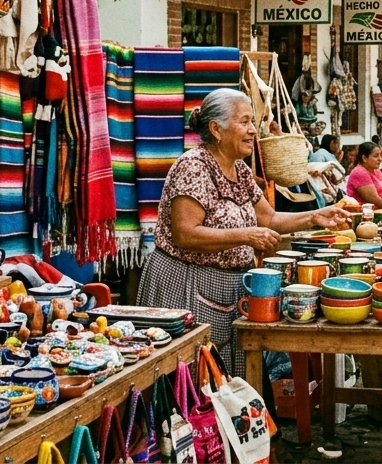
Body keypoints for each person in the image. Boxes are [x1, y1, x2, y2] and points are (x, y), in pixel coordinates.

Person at [136, 89, 351, 374]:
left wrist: (316, 215)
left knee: (225, 385)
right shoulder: (194, 167)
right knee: (192, 382)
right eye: (245, 122)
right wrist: (247, 235)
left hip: (226, 289)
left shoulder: (239, 169)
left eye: (252, 122)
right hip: (185, 285)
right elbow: (185, 234)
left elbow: (269, 218)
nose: (253, 131)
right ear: (216, 129)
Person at [347, 141, 382, 210]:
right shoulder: (360, 172)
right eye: (376, 156)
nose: (380, 159)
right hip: (369, 212)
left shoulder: (376, 170)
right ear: (364, 158)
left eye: (380, 155)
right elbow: (375, 200)